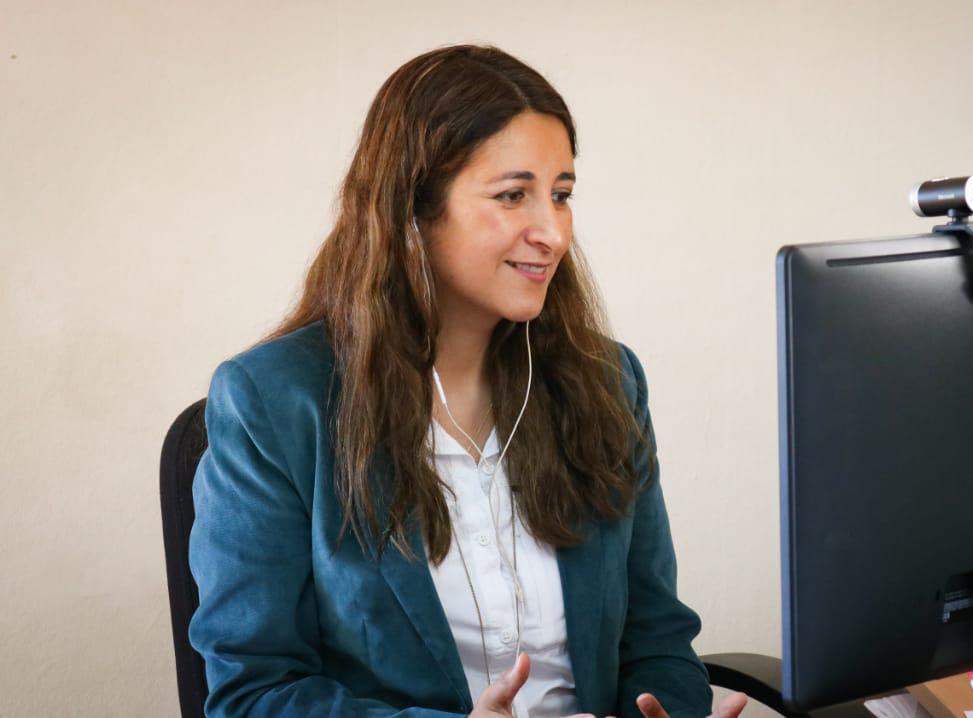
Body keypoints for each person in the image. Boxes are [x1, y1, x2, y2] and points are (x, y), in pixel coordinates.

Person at [188, 44, 749, 718]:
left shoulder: (607, 380)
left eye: (562, 195)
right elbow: (254, 693)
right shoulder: (274, 401)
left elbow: (656, 637)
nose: (552, 232)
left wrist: (659, 711)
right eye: (514, 195)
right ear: (414, 209)